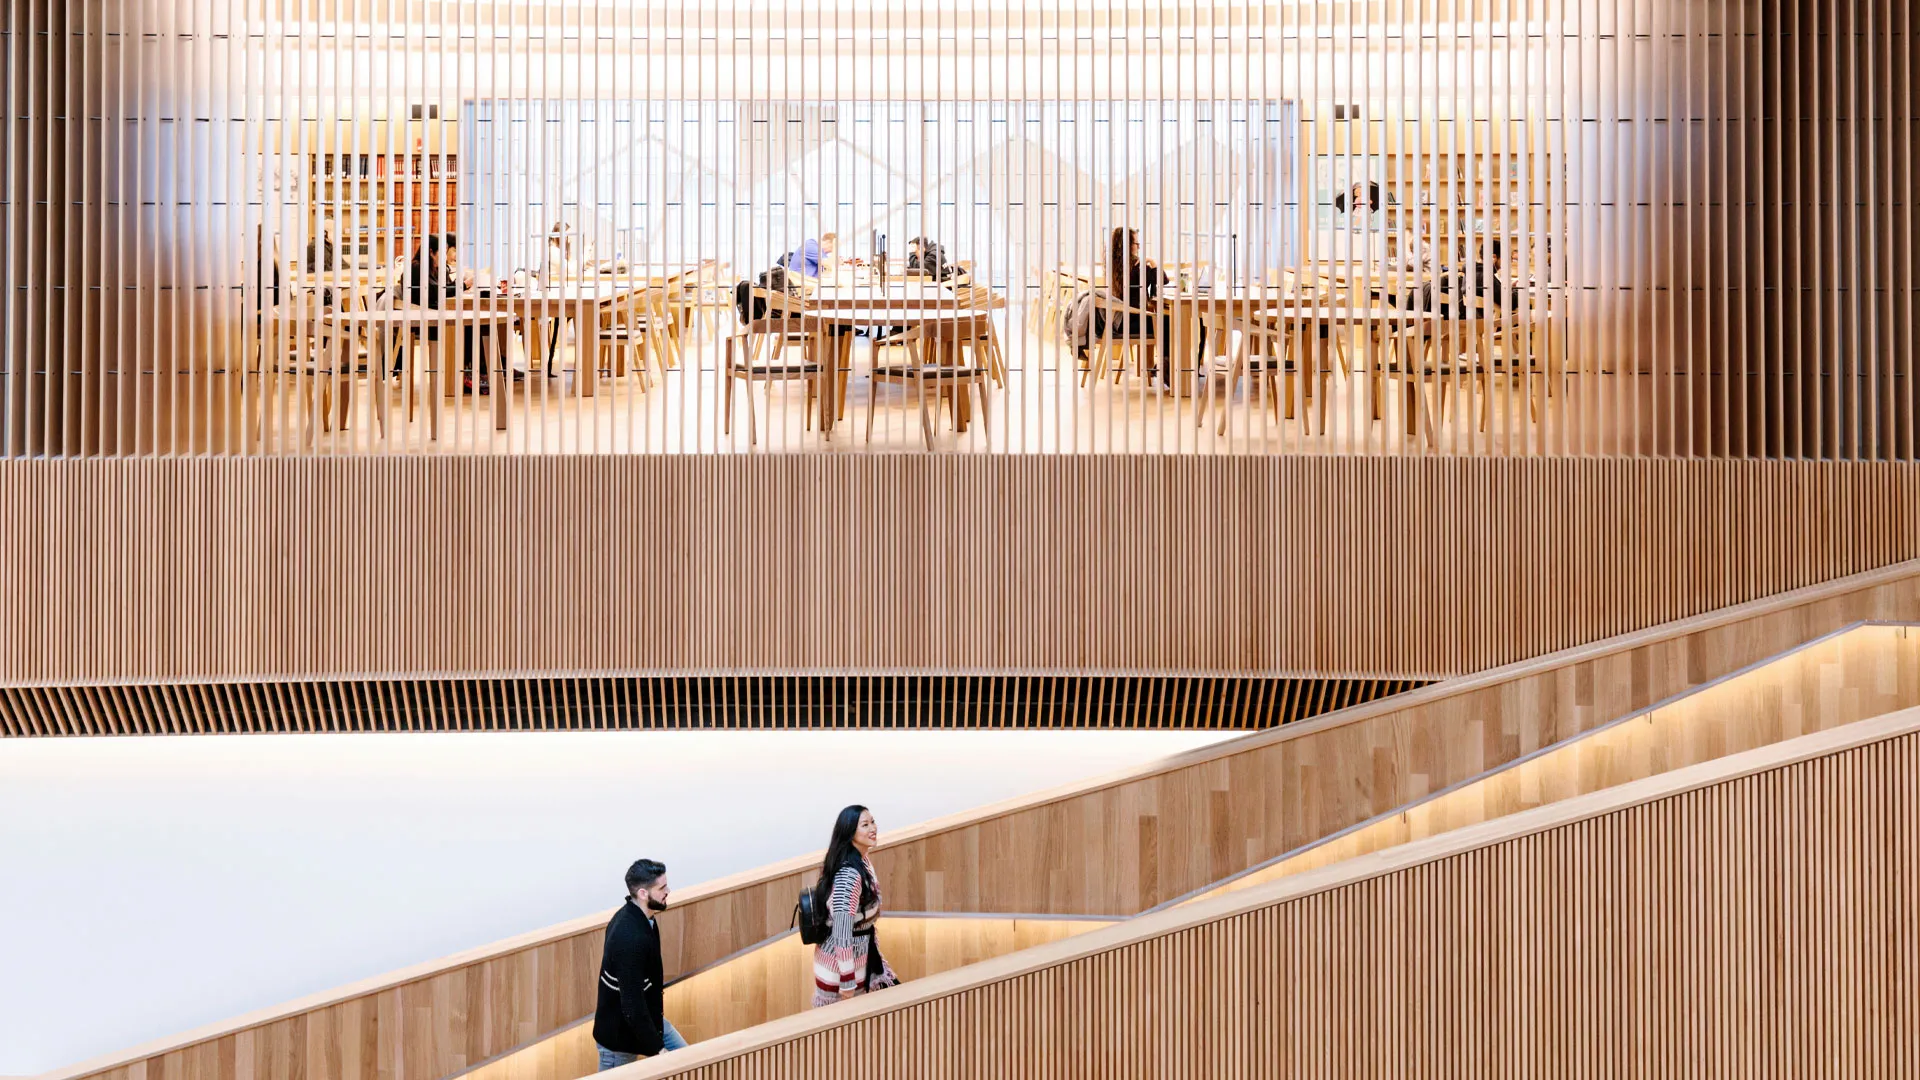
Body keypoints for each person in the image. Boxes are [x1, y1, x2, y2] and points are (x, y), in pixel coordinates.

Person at [593, 859, 689, 1069]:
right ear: (644, 893)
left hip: (647, 1019)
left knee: (689, 1061)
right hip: (619, 1041)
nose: (668, 891)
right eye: (662, 888)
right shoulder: (630, 938)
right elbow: (631, 1007)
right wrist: (658, 1049)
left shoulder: (643, 918)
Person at [811, 805, 899, 1008]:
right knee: (842, 1032)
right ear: (850, 832)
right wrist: (847, 980)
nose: (873, 828)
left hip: (863, 957)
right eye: (865, 825)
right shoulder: (849, 874)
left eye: (873, 822)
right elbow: (842, 930)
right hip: (840, 970)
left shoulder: (861, 859)